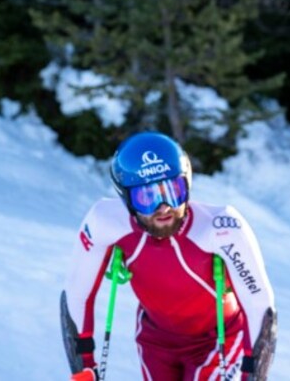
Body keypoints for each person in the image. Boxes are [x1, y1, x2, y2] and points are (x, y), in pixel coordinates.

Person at [60, 131, 276, 380]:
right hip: (156, 342)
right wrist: (83, 366)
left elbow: (260, 303)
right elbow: (77, 292)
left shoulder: (222, 228)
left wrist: (254, 372)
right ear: (127, 199)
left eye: (173, 191)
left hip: (219, 340)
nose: (164, 207)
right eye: (147, 197)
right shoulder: (105, 222)